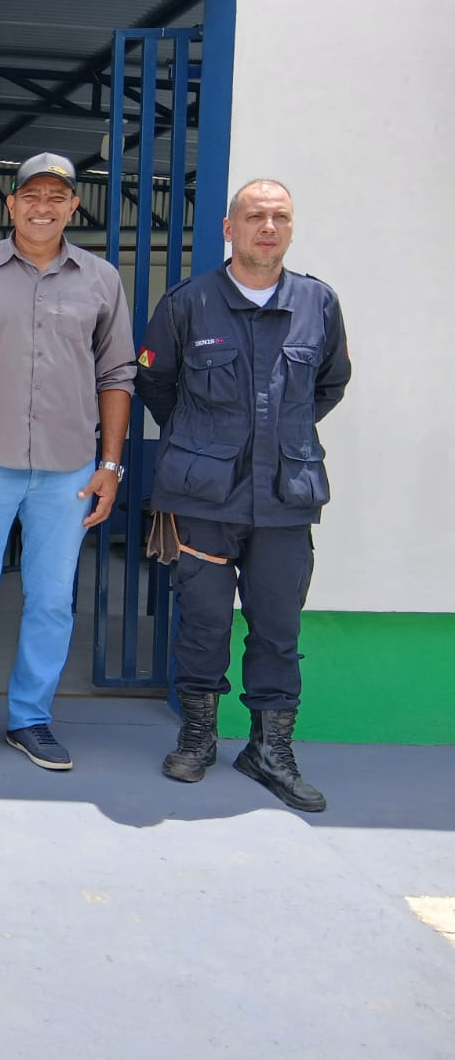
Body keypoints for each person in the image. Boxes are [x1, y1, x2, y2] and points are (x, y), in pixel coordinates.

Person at [138, 179, 349, 813]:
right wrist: (208, 445)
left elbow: (329, 385)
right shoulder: (187, 304)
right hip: (205, 498)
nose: (268, 227)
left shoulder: (318, 303)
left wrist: (276, 439)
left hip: (285, 496)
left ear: (291, 228)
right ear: (228, 229)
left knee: (278, 628)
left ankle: (270, 749)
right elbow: (156, 384)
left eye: (280, 217)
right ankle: (199, 734)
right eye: (255, 216)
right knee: (202, 622)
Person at [0, 152, 135, 772]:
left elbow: (117, 374)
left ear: (74, 207)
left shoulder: (100, 280)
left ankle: (31, 718)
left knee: (50, 600)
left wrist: (111, 465)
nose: (43, 207)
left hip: (70, 466)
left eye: (57, 198)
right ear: (10, 204)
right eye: (31, 196)